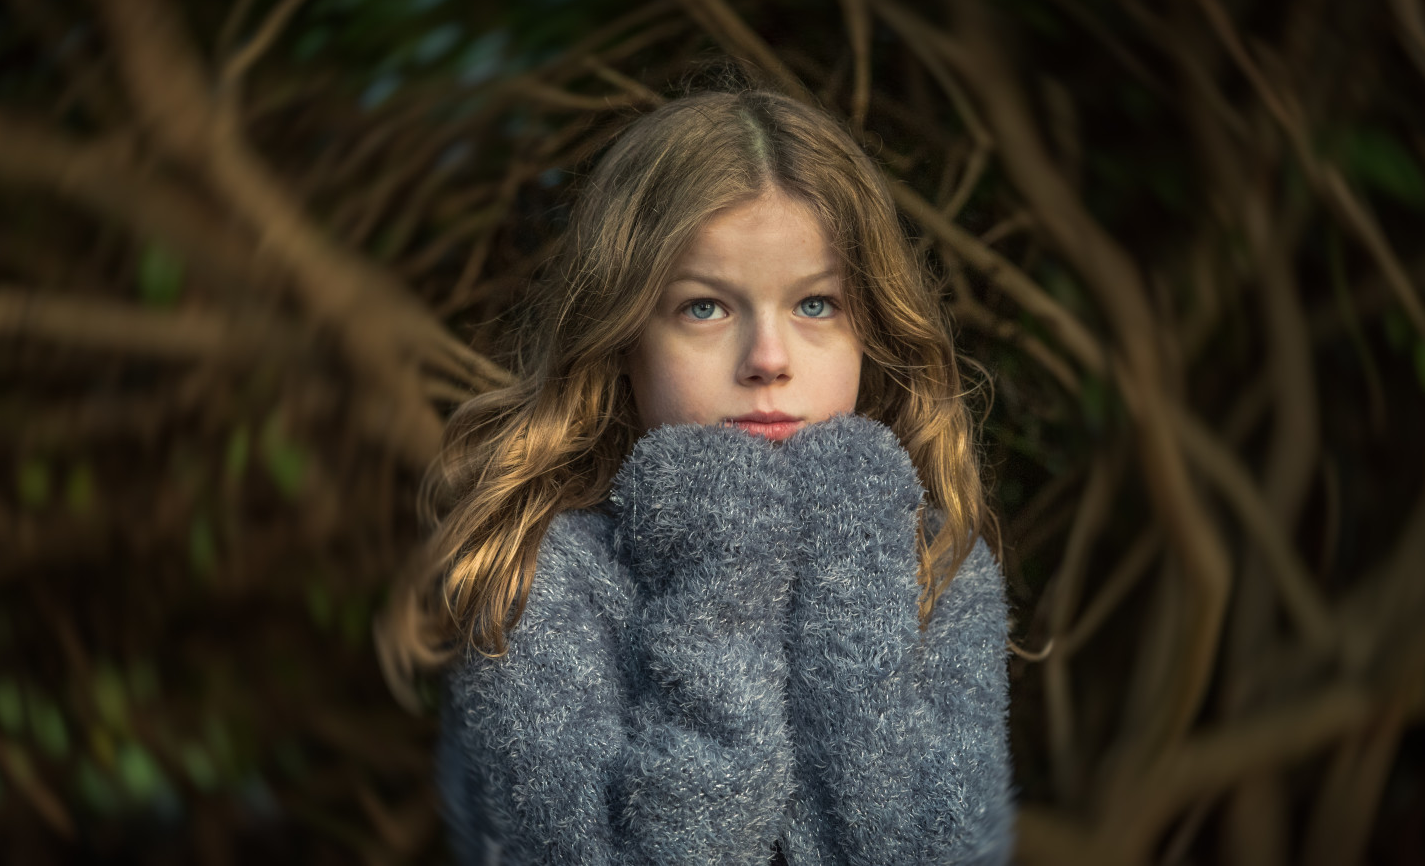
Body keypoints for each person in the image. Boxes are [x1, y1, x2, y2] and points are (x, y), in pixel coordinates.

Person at [379, 89, 1015, 865]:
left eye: (817, 304)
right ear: (623, 340)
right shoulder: (531, 585)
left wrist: (853, 543)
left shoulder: (940, 568)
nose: (768, 359)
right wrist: (725, 560)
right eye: (705, 308)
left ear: (872, 330)